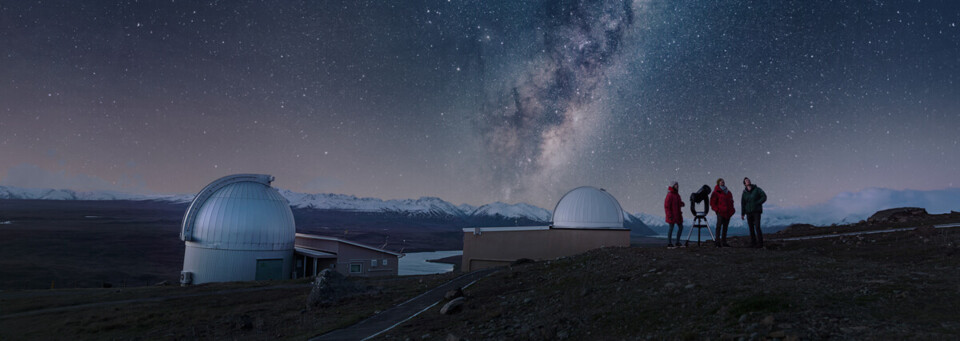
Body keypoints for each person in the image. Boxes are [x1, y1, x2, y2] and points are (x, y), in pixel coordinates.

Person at [740, 177, 767, 248]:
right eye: (746, 181)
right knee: (751, 227)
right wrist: (743, 213)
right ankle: (753, 243)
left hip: (756, 211)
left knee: (757, 227)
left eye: (748, 180)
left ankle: (760, 243)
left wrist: (758, 203)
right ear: (744, 184)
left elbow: (764, 196)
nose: (748, 181)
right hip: (748, 212)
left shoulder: (757, 189)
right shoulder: (744, 193)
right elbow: (743, 203)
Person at [710, 178, 735, 247]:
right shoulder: (716, 192)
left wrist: (732, 210)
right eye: (721, 182)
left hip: (728, 212)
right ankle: (717, 242)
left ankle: (724, 242)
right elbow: (712, 202)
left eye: (723, 181)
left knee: (725, 227)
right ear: (718, 183)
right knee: (718, 227)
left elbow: (731, 201)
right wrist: (717, 210)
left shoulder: (728, 192)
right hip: (720, 212)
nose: (722, 183)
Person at [664, 181, 685, 248]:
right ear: (673, 186)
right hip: (672, 215)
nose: (677, 186)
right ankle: (669, 243)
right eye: (676, 185)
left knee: (681, 227)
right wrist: (669, 215)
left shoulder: (677, 195)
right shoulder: (670, 195)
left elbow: (677, 203)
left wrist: (682, 204)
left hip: (678, 215)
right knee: (671, 228)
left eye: (677, 185)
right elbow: (667, 206)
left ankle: (677, 242)